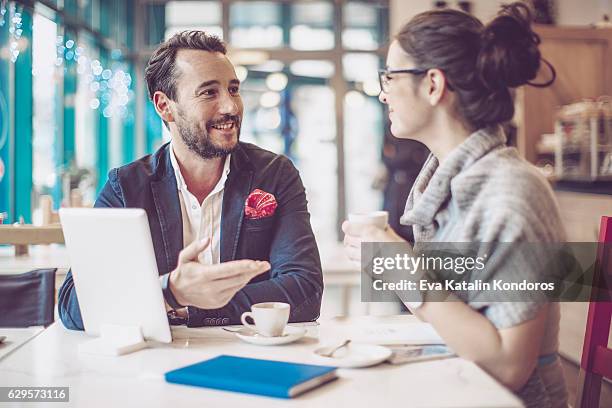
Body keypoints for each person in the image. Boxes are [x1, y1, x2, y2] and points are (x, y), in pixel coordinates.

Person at [342, 4, 567, 407]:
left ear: (433, 84)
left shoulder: (511, 192)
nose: (382, 91)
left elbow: (508, 366)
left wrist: (402, 270)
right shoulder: (443, 182)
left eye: (390, 76)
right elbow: (454, 318)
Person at [59, 31, 323, 329]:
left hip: (253, 357)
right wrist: (170, 292)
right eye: (209, 92)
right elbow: (74, 306)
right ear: (164, 106)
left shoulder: (274, 174)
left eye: (233, 89)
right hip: (155, 365)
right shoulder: (126, 187)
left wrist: (194, 307)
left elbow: (306, 291)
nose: (231, 107)